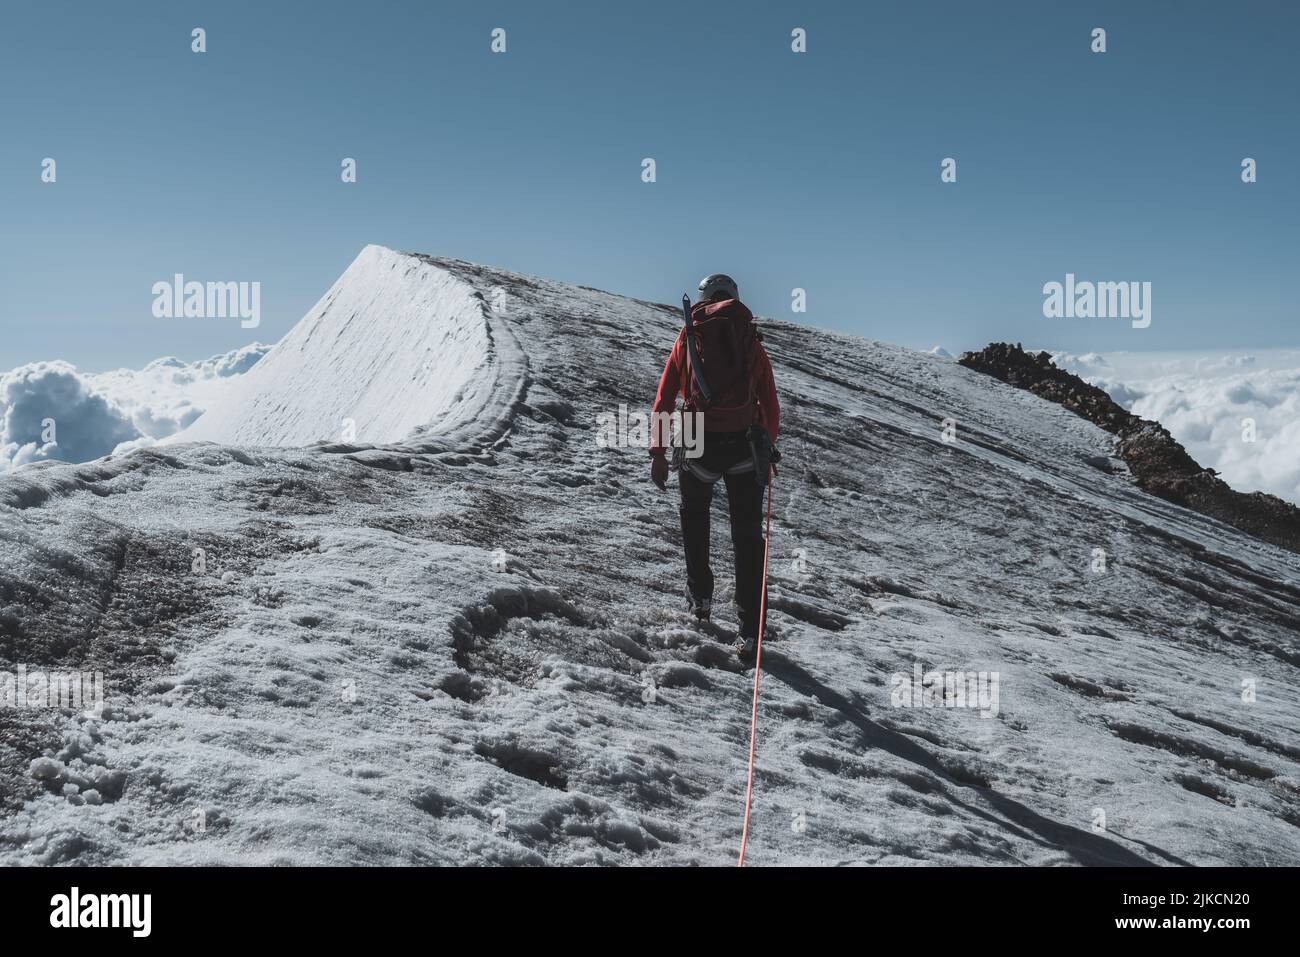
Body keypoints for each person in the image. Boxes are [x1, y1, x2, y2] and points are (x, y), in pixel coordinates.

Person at [649, 273, 780, 658]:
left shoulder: (689, 336)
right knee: (747, 538)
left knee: (694, 515)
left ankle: (701, 599)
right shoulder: (750, 340)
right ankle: (751, 629)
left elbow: (664, 399)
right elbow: (770, 405)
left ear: (703, 299)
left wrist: (658, 453)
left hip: (695, 436)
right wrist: (766, 452)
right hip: (744, 443)